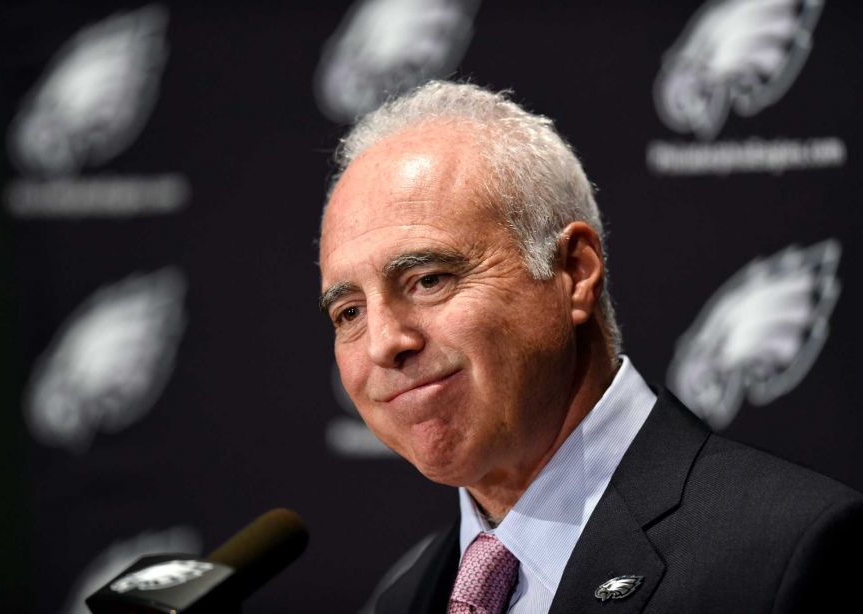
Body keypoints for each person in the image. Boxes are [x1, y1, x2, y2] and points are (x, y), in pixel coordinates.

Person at [317, 81, 862, 613]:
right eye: (349, 313)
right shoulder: (407, 597)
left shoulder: (789, 553)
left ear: (574, 272)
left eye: (428, 279)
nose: (386, 343)